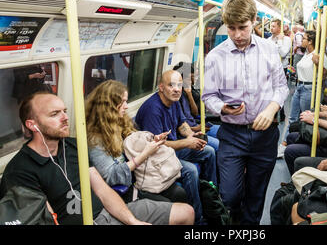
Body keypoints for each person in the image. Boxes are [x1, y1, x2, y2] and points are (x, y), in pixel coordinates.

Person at [0, 92, 194, 225]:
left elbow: (102, 189)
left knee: (186, 213)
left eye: (64, 111)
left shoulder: (73, 146)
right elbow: (46, 218)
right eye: (54, 114)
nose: (65, 117)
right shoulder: (20, 170)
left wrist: (132, 221)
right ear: (32, 125)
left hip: (107, 213)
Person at [202, 0, 289, 225]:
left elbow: (281, 87)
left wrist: (272, 109)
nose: (238, 35)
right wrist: (223, 108)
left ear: (254, 21)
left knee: (256, 196)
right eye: (231, 28)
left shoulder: (269, 49)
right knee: (230, 195)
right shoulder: (215, 57)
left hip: (265, 135)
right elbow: (208, 96)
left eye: (243, 27)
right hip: (232, 135)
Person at [135, 70, 217, 224]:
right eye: (171, 85)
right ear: (161, 87)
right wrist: (186, 143)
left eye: (179, 85)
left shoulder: (174, 102)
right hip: (157, 158)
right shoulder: (152, 109)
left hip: (173, 151)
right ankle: (198, 218)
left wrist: (191, 137)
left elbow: (181, 125)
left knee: (209, 151)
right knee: (191, 171)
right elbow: (157, 146)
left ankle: (211, 199)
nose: (177, 89)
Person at [85, 80, 187, 203]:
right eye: (122, 102)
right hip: (125, 189)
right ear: (109, 105)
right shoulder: (96, 140)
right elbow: (111, 176)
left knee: (180, 192)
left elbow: (132, 146)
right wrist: (145, 154)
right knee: (175, 198)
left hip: (140, 176)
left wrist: (152, 141)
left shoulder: (121, 123)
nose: (126, 106)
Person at [278, 30, 327, 158]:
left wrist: (318, 63)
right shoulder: (306, 54)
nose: (302, 41)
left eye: (305, 39)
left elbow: (324, 74)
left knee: (306, 119)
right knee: (292, 117)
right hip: (300, 87)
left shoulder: (319, 55)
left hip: (310, 88)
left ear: (310, 41)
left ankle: (299, 147)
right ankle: (284, 144)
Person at [172, 61, 220, 149]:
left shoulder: (187, 92)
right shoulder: (175, 98)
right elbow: (179, 125)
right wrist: (196, 129)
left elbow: (194, 113)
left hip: (195, 126)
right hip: (190, 131)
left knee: (226, 133)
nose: (192, 80)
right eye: (189, 78)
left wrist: (189, 94)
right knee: (217, 145)